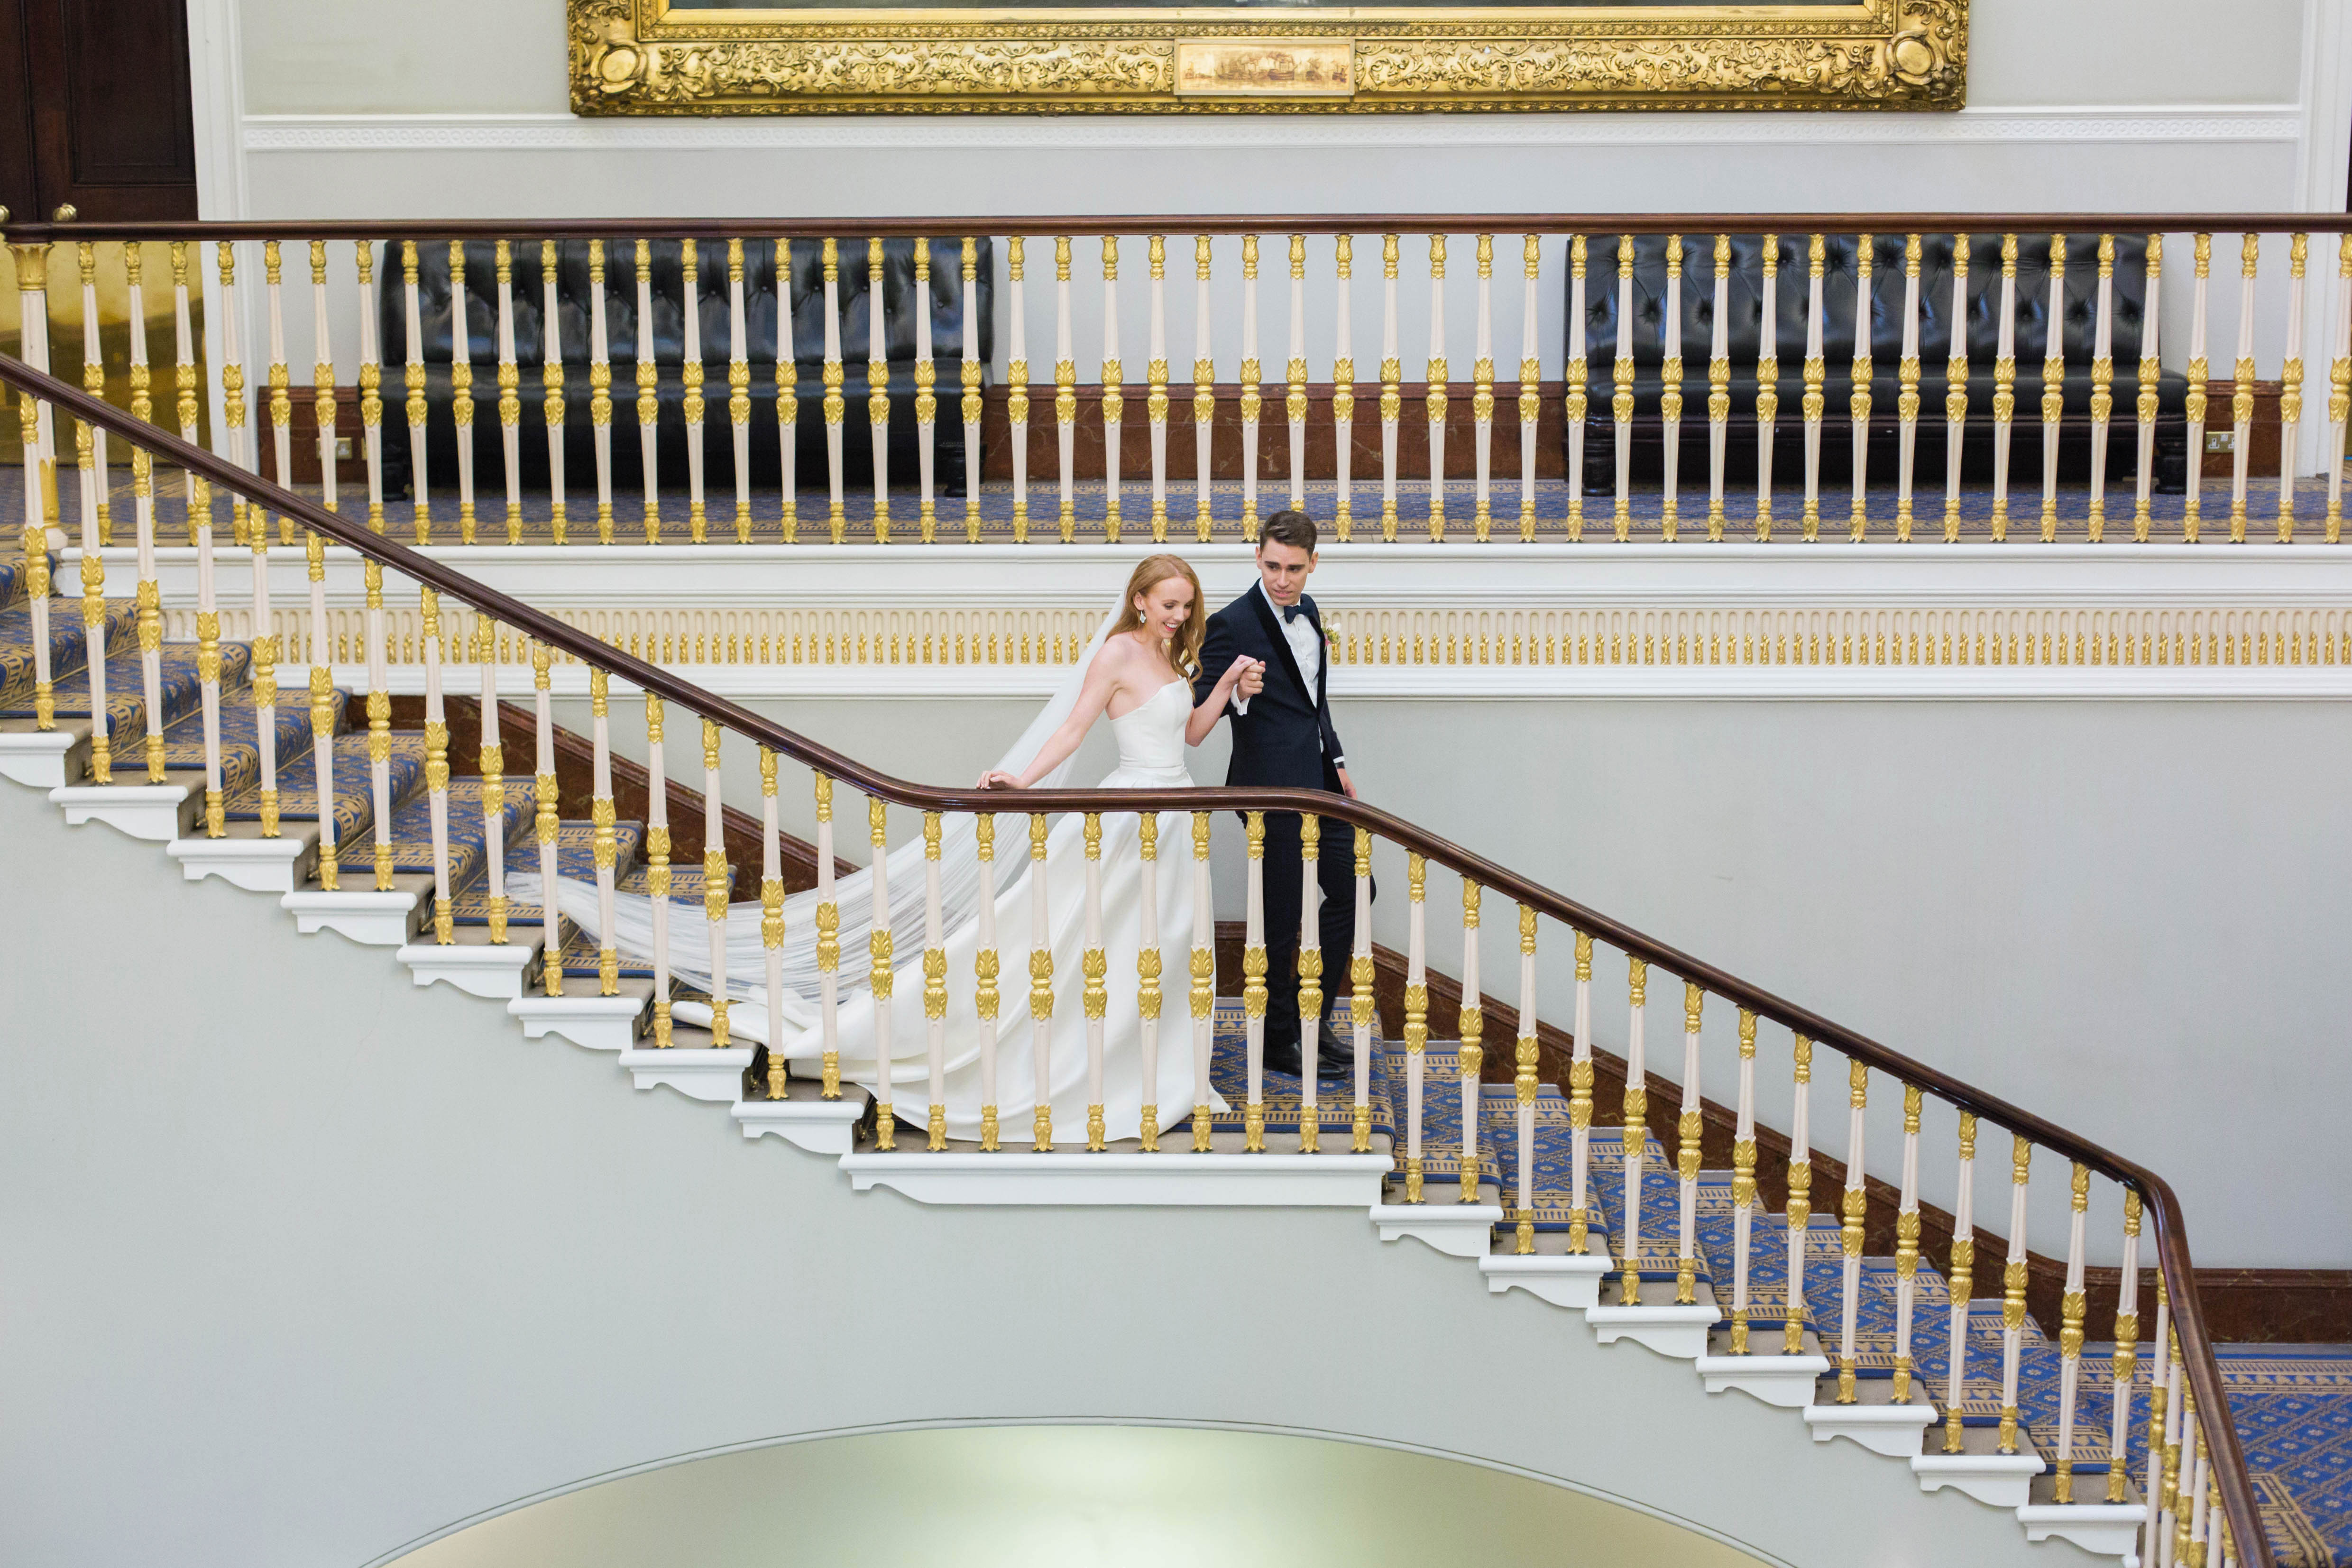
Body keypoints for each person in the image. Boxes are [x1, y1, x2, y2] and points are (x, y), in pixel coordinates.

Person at [522, 554, 1261, 1146]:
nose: (1181, 615)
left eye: (1186, 606)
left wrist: (1226, 681)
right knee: (1074, 942)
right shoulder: (1118, 654)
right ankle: (1067, 1068)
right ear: (1140, 603)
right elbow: (1070, 733)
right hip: (1127, 815)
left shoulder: (1174, 658)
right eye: (1170, 604)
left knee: (1158, 950)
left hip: (1176, 817)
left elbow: (1189, 736)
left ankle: (1158, 1074)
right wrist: (1019, 776)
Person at [1192, 509, 1364, 1083]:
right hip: (1266, 784)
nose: (1282, 579)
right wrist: (1235, 691)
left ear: (1313, 564)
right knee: (1282, 917)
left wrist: (1335, 760)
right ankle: (1276, 1038)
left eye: (1294, 568)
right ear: (1257, 557)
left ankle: (1310, 1020)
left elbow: (1315, 700)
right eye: (1271, 566)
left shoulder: (1309, 612)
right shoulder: (1231, 622)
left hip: (1317, 779)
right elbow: (1198, 708)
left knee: (1355, 891)